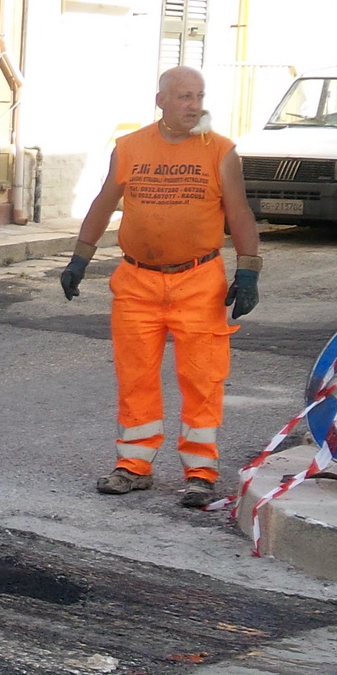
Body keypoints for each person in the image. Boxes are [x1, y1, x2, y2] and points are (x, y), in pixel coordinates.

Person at [60, 65, 261, 508]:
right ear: (162, 101)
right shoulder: (130, 147)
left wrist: (249, 270)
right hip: (136, 283)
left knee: (202, 378)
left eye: (199, 96)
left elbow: (240, 212)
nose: (195, 105)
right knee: (135, 377)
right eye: (185, 96)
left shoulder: (221, 151)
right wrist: (80, 257)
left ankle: (201, 472)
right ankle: (133, 466)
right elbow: (103, 202)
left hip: (199, 282)